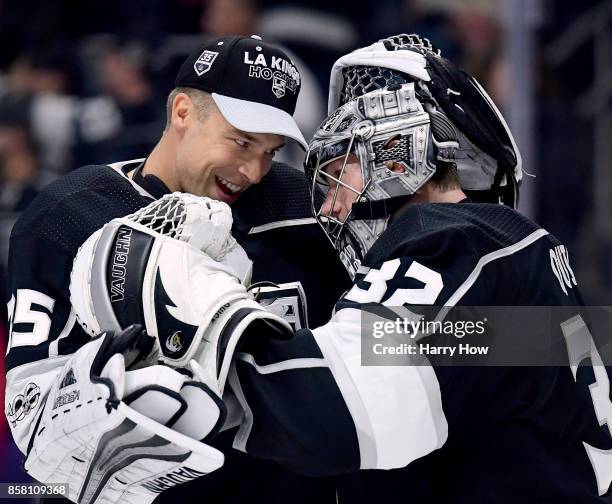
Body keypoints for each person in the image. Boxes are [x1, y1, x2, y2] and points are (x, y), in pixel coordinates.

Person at [81, 34, 609, 502]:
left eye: (340, 169)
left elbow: (342, 416)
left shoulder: (456, 242)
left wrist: (195, 310)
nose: (330, 206)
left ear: (398, 152)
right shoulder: (509, 256)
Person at [4, 35, 347, 503]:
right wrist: (109, 397)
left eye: (269, 151)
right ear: (183, 112)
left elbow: (412, 332)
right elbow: (30, 415)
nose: (253, 170)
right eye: (241, 142)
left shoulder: (304, 205)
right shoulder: (68, 215)